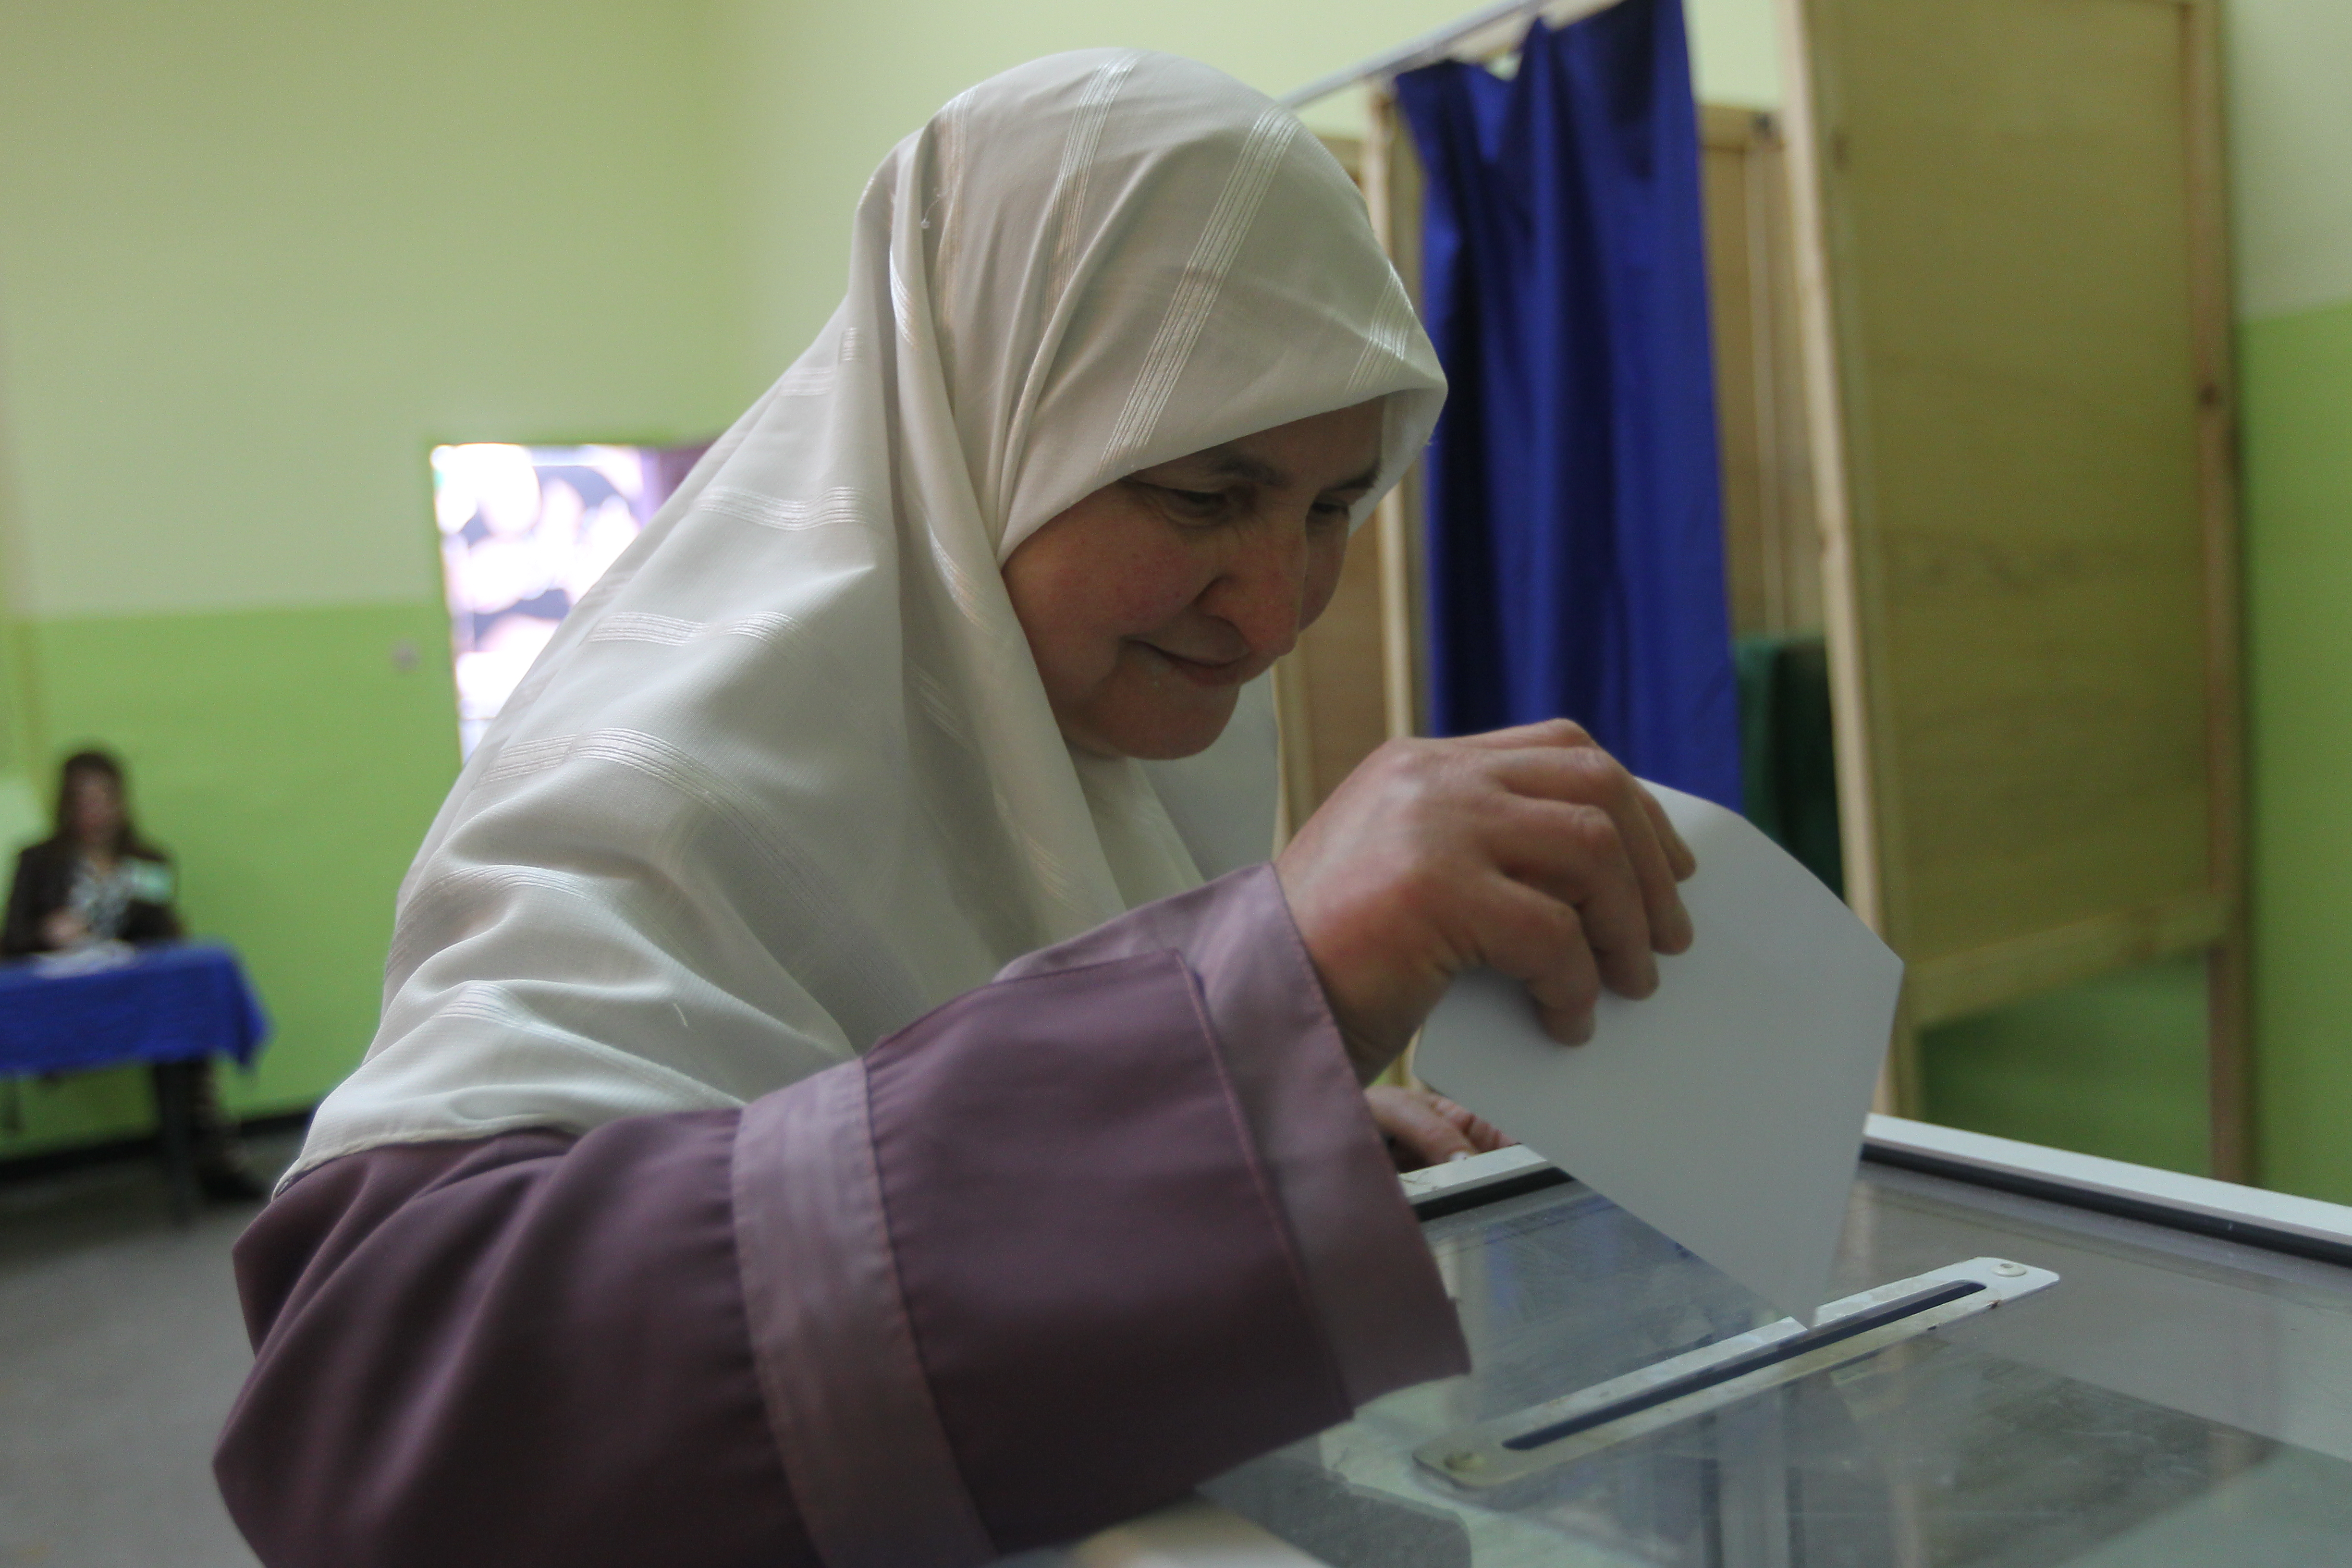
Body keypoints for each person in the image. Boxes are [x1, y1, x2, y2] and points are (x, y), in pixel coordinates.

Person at [215, 51, 1693, 1568]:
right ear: (980, 425)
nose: (1273, 612)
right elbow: (377, 1399)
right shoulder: (656, 779)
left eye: (1331, 508)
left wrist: (1248, 1146)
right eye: (1200, 494)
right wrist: (1247, 1008)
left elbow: (905, 1139)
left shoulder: (1101, 734)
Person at [3, 749, 263, 1200]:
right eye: (83, 800)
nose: (95, 811)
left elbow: (165, 935)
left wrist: (156, 921)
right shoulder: (40, 861)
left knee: (186, 1024)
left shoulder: (147, 860)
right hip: (62, 1000)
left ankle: (210, 1160)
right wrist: (47, 932)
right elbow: (12, 939)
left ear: (121, 801)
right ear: (66, 804)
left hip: (132, 997)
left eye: (104, 798)